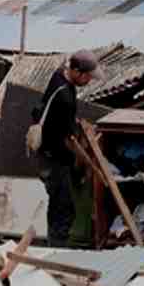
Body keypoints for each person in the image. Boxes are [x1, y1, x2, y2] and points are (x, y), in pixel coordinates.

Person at [32, 50, 102, 247]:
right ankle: (56, 251)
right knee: (63, 209)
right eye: (88, 76)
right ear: (77, 71)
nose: (89, 81)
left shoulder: (59, 77)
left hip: (50, 153)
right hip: (53, 157)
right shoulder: (64, 96)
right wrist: (81, 161)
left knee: (58, 205)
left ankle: (55, 245)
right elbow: (69, 139)